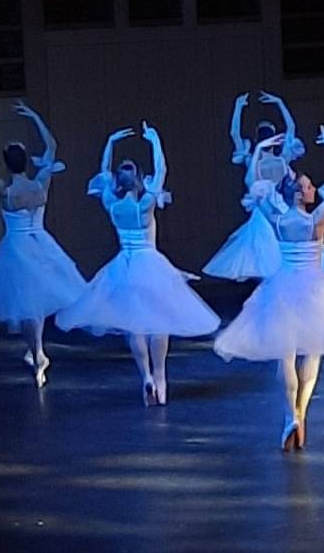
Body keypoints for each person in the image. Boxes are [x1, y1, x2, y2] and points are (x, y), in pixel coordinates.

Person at [214, 129, 324, 449]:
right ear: (298, 194)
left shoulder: (278, 220)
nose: (312, 189)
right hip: (314, 290)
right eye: (308, 186)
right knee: (312, 353)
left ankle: (289, 416)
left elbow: (252, 183)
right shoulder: (316, 219)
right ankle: (301, 414)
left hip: (282, 289)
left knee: (287, 355)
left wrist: (259, 150)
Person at [55, 122, 220, 405]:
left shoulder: (111, 203)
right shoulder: (146, 204)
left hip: (125, 267)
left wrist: (109, 143)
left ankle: (145, 376)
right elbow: (162, 170)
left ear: (117, 182)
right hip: (151, 264)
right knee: (159, 322)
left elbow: (103, 172)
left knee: (135, 324)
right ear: (139, 178)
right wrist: (155, 141)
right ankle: (160, 377)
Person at [0, 102, 86, 387]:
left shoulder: (4, 190)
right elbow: (52, 147)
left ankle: (37, 354)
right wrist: (35, 117)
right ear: (25, 161)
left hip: (18, 248)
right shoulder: (40, 184)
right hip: (41, 245)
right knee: (32, 303)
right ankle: (37, 352)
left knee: (28, 304)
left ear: (8, 163)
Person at [205, 91, 324, 280]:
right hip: (276, 209)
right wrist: (279, 103)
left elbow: (235, 134)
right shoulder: (270, 159)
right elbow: (291, 127)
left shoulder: (262, 159)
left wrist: (239, 107)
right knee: (274, 255)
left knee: (271, 256)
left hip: (273, 209)